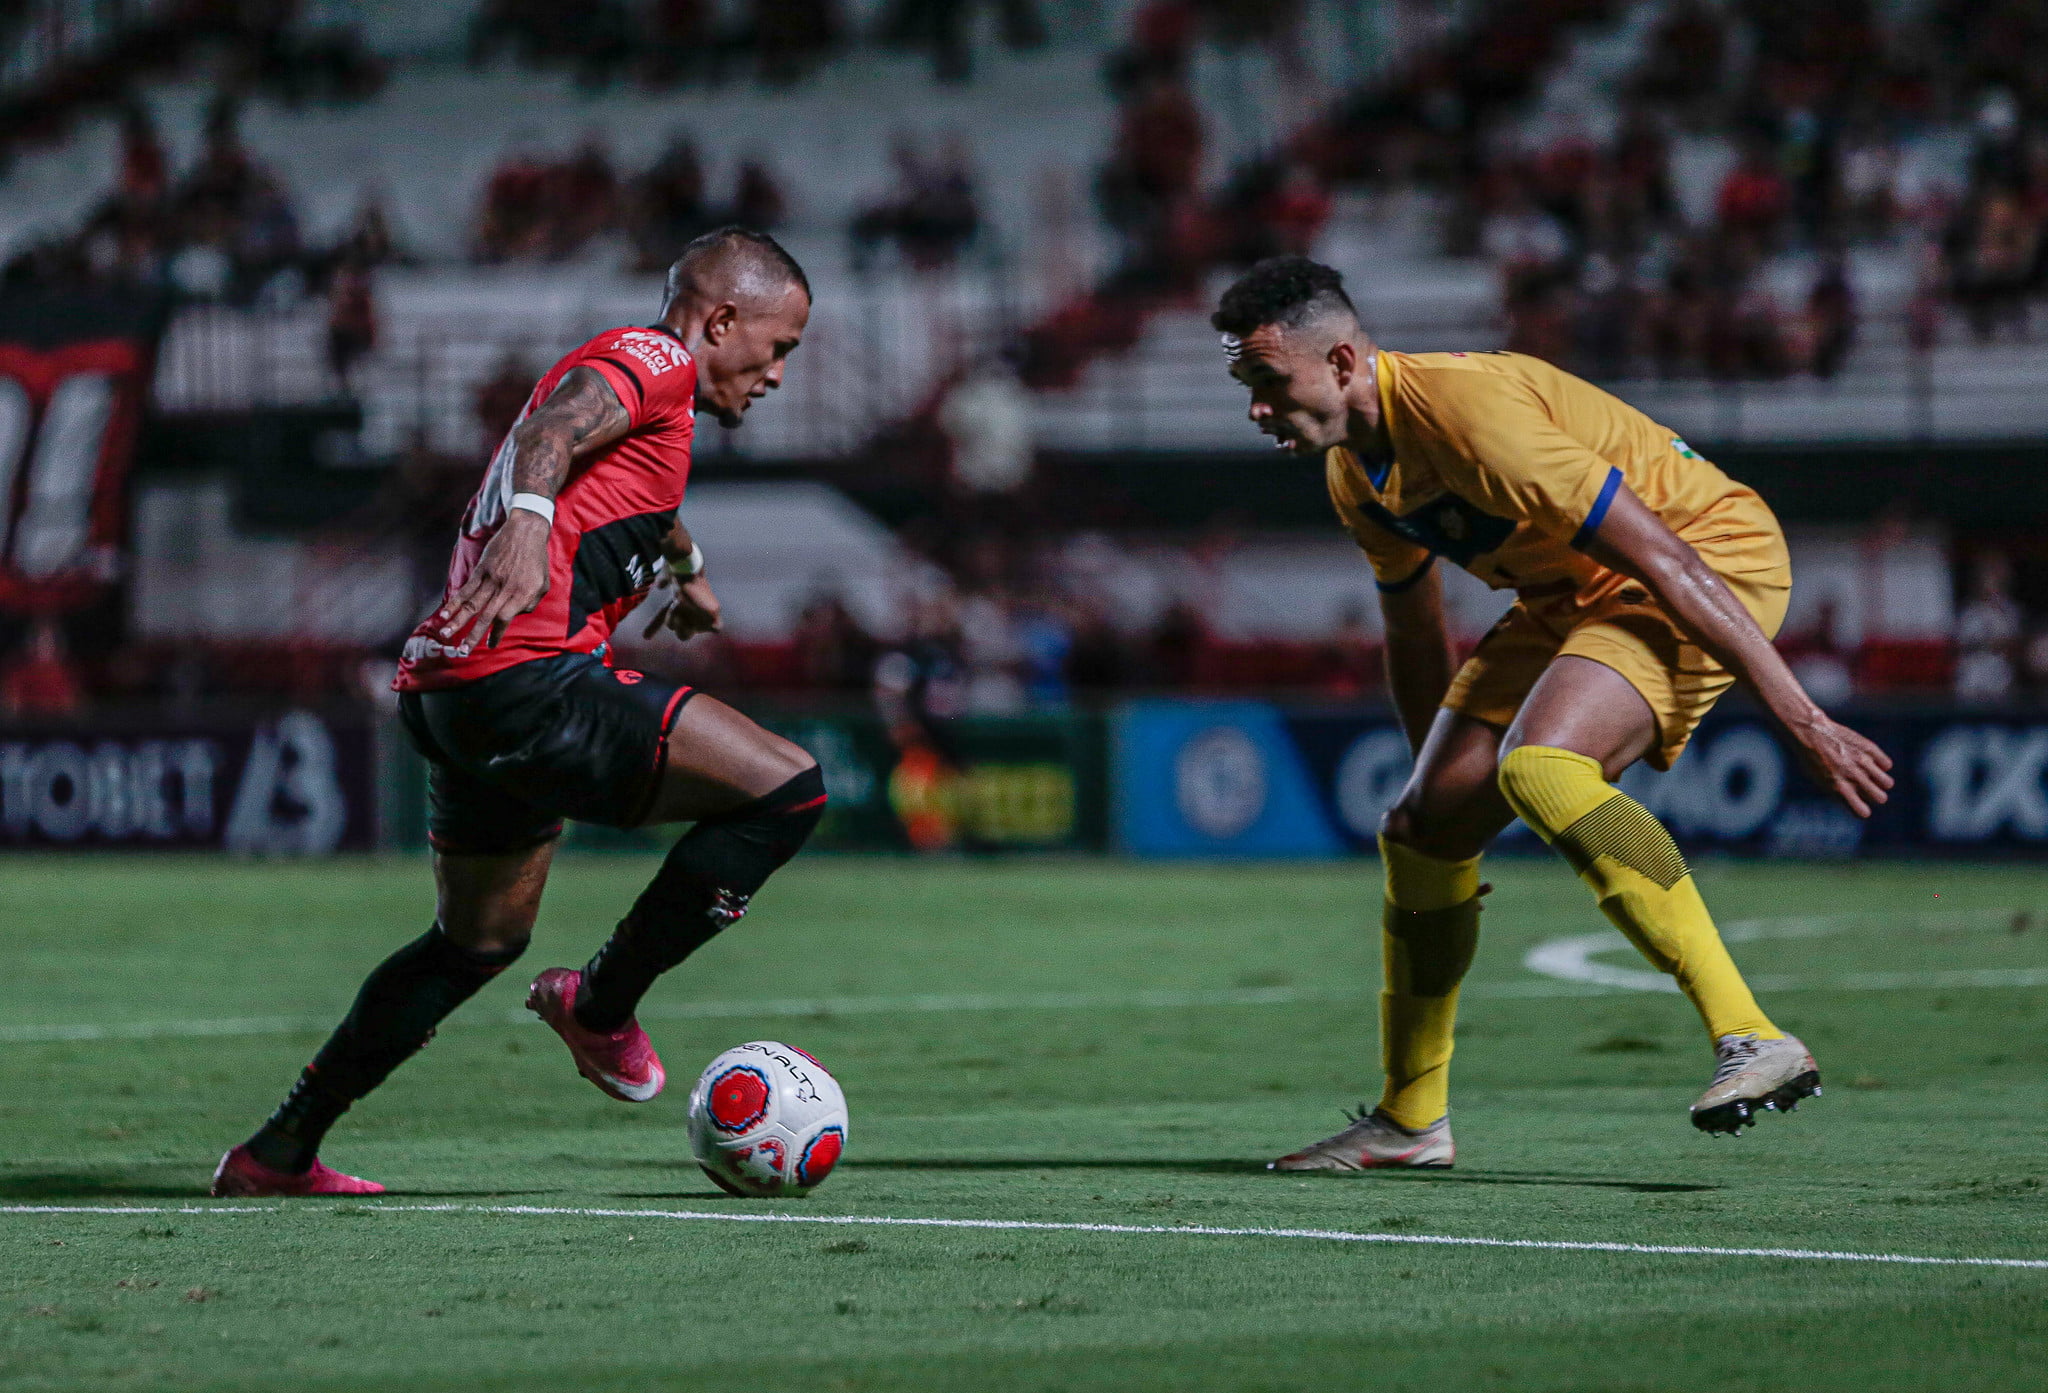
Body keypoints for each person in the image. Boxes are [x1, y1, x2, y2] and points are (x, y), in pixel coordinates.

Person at [1210, 257, 1892, 1171]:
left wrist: (1801, 717)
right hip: (1571, 594)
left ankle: (1754, 1037)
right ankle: (1411, 1122)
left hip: (1706, 556)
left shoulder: (1469, 414)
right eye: (1245, 386)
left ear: (1338, 362)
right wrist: (1441, 796)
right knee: (1417, 829)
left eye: (1267, 381)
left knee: (1539, 766)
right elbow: (1414, 633)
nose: (1256, 408)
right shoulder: (1355, 477)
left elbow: (1663, 558)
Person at [213, 228, 825, 1197]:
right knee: (787, 790)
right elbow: (551, 436)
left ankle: (279, 1149)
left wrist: (687, 568)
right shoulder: (654, 359)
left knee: (476, 944)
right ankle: (602, 1002)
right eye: (779, 346)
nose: (780, 372)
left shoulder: (653, 400)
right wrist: (529, 525)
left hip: (451, 694)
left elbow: (609, 467)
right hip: (525, 680)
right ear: (720, 321)